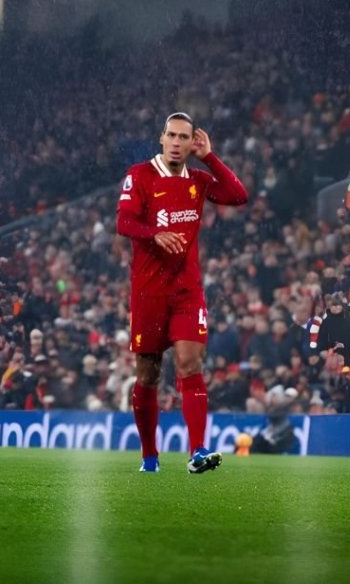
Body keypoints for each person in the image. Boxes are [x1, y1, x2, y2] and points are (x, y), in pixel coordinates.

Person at [116, 112, 247, 473]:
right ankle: (149, 457)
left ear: (192, 143)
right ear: (161, 138)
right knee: (148, 375)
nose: (176, 143)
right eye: (171, 135)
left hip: (187, 292)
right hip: (148, 293)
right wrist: (154, 234)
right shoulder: (140, 175)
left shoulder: (199, 181)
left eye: (183, 137)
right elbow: (124, 221)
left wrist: (210, 157)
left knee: (190, 363)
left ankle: (198, 451)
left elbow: (238, 195)